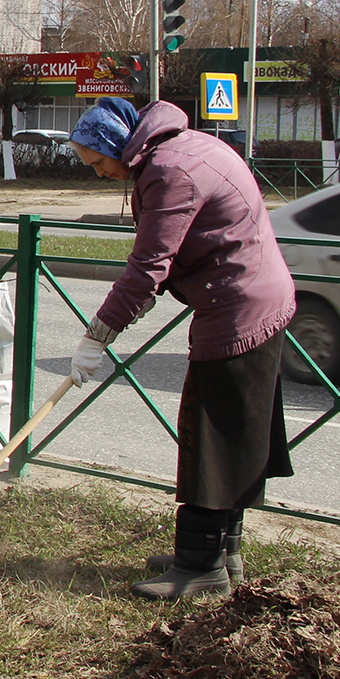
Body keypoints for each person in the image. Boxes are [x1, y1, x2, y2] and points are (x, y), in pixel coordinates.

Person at [69, 97, 295, 599]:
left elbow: (149, 264)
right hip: (252, 296)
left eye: (98, 163)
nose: (102, 175)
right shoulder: (188, 146)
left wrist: (97, 335)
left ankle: (201, 568)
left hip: (238, 308)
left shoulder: (170, 170)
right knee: (232, 435)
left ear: (116, 146)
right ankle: (222, 554)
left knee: (209, 435)